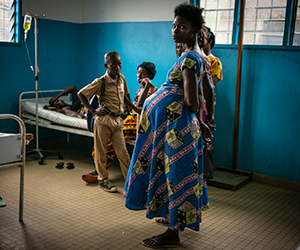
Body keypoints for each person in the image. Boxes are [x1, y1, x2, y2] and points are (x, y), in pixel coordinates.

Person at [123, 3, 212, 248]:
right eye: (174, 25)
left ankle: (173, 233)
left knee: (177, 176)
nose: (175, 30)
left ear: (194, 29)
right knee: (175, 175)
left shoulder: (190, 58)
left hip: (178, 131)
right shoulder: (196, 56)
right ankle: (173, 218)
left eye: (182, 27)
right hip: (177, 129)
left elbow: (192, 99)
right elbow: (202, 96)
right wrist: (202, 124)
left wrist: (198, 121)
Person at [82, 62, 157, 184]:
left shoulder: (153, 89)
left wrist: (147, 86)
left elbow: (138, 107)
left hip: (140, 122)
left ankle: (101, 171)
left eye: (142, 73)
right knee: (107, 141)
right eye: (138, 73)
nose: (138, 76)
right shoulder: (141, 88)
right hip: (130, 119)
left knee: (113, 142)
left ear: (149, 75)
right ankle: (100, 171)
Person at [78, 51, 141, 193]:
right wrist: (94, 111)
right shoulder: (100, 82)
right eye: (113, 65)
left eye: (120, 64)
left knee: (123, 153)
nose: (117, 68)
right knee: (101, 152)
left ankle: (130, 181)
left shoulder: (122, 79)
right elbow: (81, 94)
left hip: (117, 121)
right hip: (103, 121)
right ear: (106, 65)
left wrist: (134, 109)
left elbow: (125, 97)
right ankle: (103, 180)